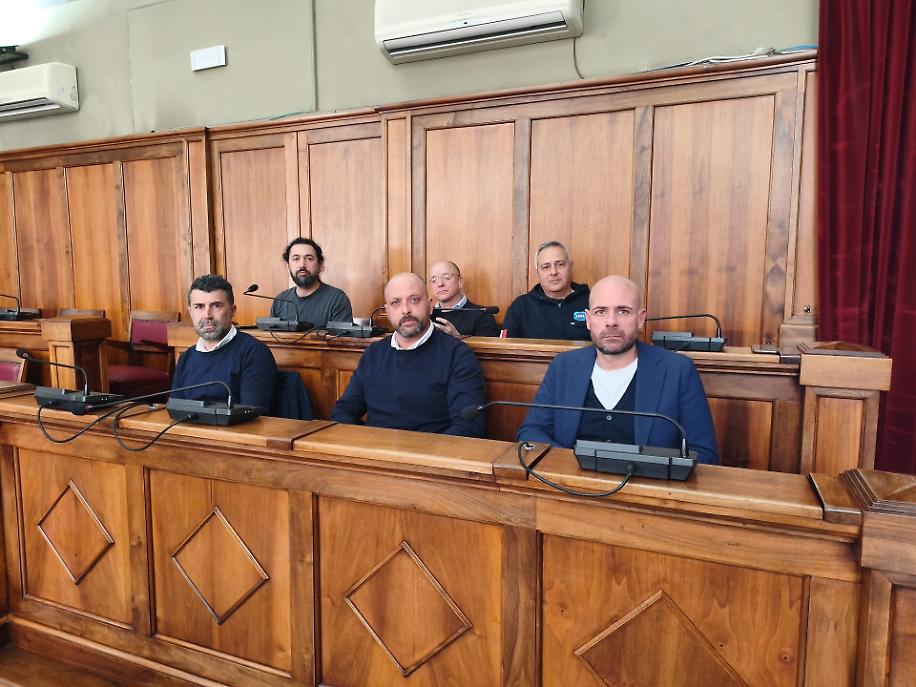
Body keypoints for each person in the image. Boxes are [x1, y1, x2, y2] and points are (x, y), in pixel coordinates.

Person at [517, 275, 718, 464]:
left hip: (649, 487)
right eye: (600, 311)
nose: (611, 321)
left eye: (623, 311)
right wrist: (572, 466)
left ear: (640, 318)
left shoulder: (678, 371)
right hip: (571, 484)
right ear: (588, 320)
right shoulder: (563, 367)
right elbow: (531, 431)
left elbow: (704, 454)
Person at [331, 272, 486, 437]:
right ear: (387, 311)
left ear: (430, 306)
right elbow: (344, 410)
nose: (405, 310)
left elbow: (468, 427)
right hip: (375, 448)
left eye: (414, 300)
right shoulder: (374, 353)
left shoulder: (458, 355)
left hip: (432, 451)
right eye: (396, 302)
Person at [172, 274, 277, 410]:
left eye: (216, 306)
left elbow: (252, 415)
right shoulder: (186, 357)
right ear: (190, 312)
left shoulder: (254, 353)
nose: (207, 315)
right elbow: (175, 411)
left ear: (232, 311)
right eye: (199, 307)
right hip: (188, 424)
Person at [502, 240, 590, 340]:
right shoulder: (520, 307)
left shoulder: (592, 301)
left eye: (560, 264)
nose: (553, 272)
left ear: (571, 266)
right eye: (546, 267)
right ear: (537, 273)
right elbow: (506, 347)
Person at [271, 237, 353, 328]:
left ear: (320, 265)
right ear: (288, 267)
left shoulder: (337, 299)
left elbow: (342, 336)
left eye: (309, 259)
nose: (302, 265)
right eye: (296, 259)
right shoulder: (280, 301)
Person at [428, 260, 500, 337]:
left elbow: (486, 345)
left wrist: (457, 337)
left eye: (446, 277)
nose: (440, 284)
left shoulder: (482, 315)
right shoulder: (426, 316)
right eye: (434, 280)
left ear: (460, 282)